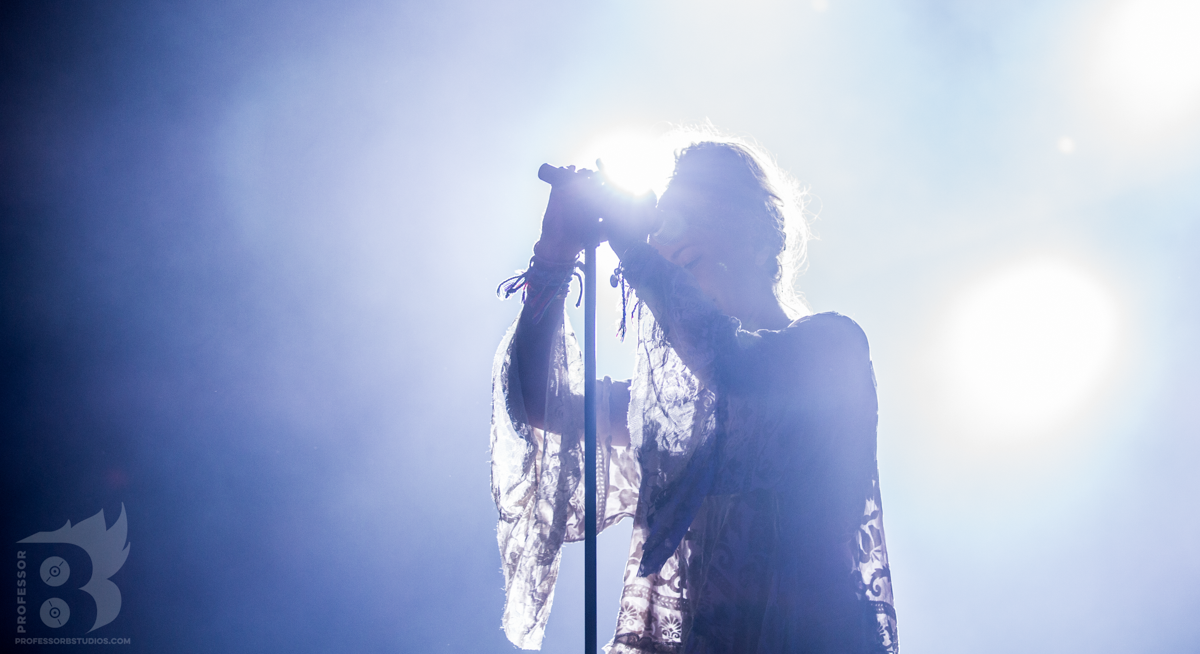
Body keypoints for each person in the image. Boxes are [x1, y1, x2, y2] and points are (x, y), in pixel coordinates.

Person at [491, 137, 897, 653]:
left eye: (700, 209)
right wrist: (553, 255)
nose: (673, 230)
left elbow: (736, 372)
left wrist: (631, 244)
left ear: (761, 233)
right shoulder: (674, 413)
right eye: (667, 216)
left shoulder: (832, 346)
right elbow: (538, 402)